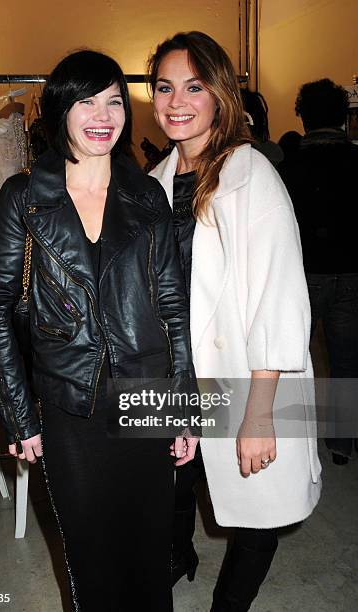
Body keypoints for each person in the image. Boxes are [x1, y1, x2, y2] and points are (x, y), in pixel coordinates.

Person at [0, 49, 199, 612]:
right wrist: (21, 415)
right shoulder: (24, 198)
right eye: (85, 100)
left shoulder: (148, 194)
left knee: (150, 555)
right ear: (60, 109)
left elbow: (173, 305)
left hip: (146, 394)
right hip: (68, 404)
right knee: (93, 560)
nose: (102, 114)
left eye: (114, 100)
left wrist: (184, 410)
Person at [147, 31, 321, 611]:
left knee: (255, 512)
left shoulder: (252, 176)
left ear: (220, 94)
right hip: (174, 379)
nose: (176, 102)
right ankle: (178, 558)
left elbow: (280, 299)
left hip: (244, 378)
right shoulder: (151, 185)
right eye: (165, 87)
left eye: (193, 87)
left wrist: (261, 414)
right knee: (169, 492)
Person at [279, 78, 358, 466]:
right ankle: (341, 443)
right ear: (343, 118)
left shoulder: (289, 166)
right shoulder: (356, 160)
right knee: (346, 361)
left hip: (304, 274)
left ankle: (296, 440)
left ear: (303, 117)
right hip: (351, 273)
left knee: (294, 360)